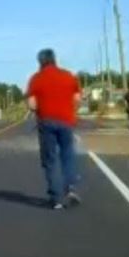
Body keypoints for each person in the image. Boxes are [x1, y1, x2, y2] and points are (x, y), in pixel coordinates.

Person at [26, 49, 82, 210]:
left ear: (40, 62)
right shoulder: (68, 76)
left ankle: (56, 198)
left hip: (46, 123)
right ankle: (70, 188)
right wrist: (71, 111)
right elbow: (77, 99)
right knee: (67, 155)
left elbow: (32, 104)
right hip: (66, 121)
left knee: (50, 160)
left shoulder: (35, 79)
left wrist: (39, 112)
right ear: (54, 60)